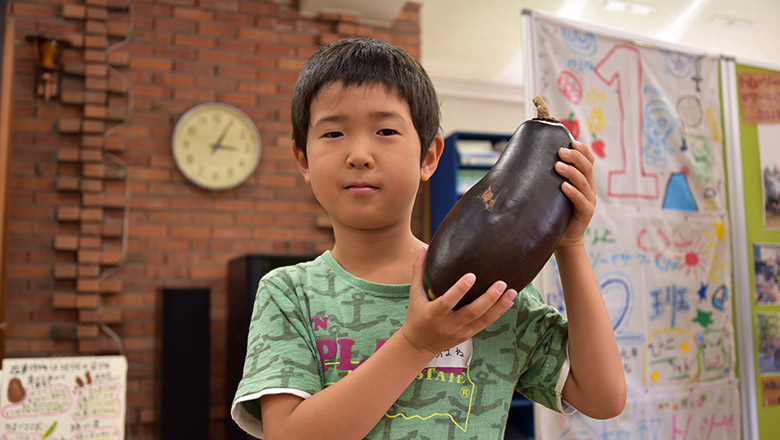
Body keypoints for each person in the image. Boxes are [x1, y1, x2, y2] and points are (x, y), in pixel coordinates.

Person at [231, 37, 626, 439]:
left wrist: (570, 245)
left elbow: (602, 397)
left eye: (385, 130)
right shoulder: (288, 294)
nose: (360, 154)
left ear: (429, 157)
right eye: (333, 134)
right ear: (303, 160)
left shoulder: (488, 292)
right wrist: (416, 344)